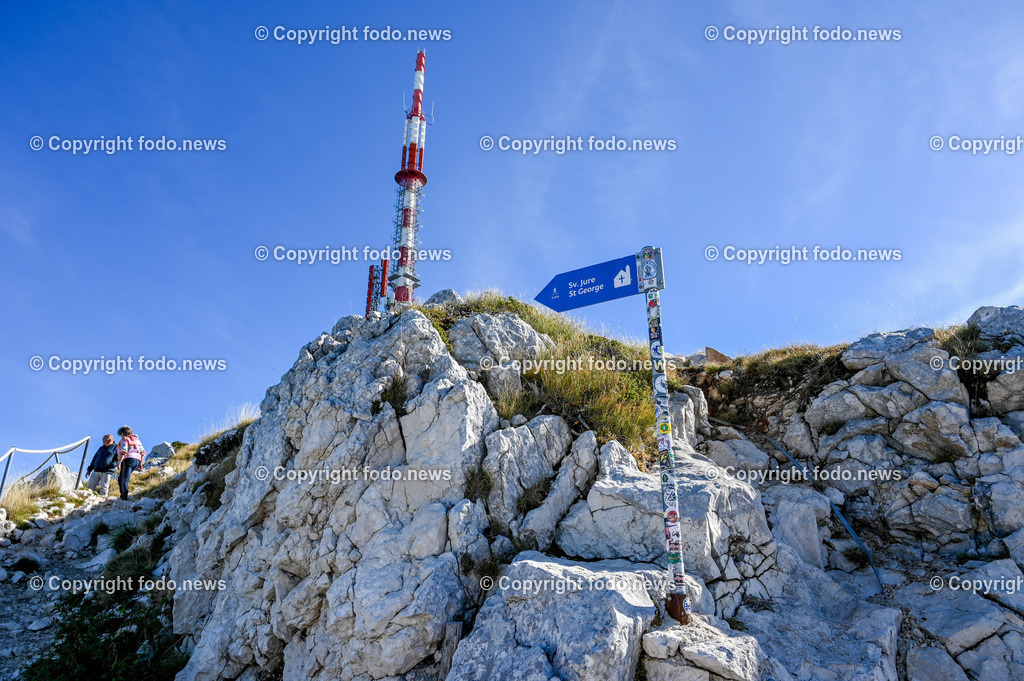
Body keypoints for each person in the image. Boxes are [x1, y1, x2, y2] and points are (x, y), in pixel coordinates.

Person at [116, 425, 146, 500]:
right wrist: (140, 463)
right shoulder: (137, 440)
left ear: (122, 433)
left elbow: (124, 451)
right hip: (137, 460)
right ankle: (124, 495)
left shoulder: (125, 440)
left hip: (128, 459)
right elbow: (143, 452)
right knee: (125, 478)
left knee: (122, 479)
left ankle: (124, 497)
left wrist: (119, 462)